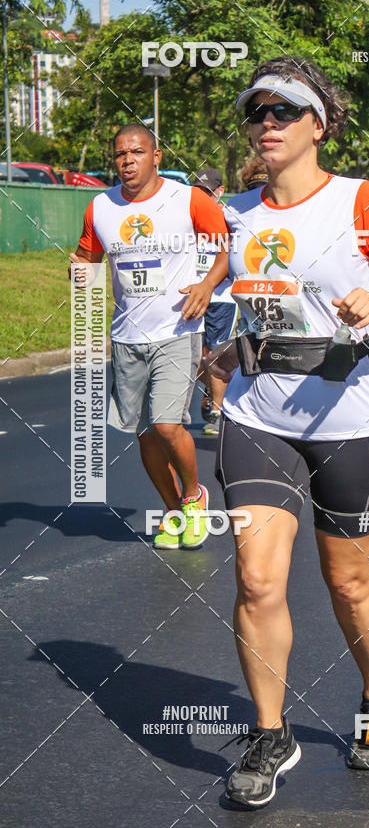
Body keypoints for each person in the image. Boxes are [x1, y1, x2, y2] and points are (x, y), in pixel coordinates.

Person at [207, 57, 369, 807]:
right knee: (256, 578)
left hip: (348, 417)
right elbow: (227, 283)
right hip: (258, 415)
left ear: (318, 124)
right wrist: (217, 350)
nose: (267, 124)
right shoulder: (236, 211)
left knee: (347, 579)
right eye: (257, 112)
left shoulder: (357, 202)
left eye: (284, 111)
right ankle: (270, 733)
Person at [69, 124, 229, 549]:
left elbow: (228, 249)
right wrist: (79, 270)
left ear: (156, 156)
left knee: (166, 423)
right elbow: (88, 257)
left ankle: (194, 497)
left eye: (136, 152)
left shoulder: (188, 199)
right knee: (144, 433)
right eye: (120, 154)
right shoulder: (100, 207)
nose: (127, 161)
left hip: (177, 328)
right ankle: (173, 512)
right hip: (126, 336)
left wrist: (207, 284)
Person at [191, 167, 238, 435]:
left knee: (212, 354)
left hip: (221, 297)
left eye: (208, 193)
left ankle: (217, 413)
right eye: (199, 191)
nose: (203, 197)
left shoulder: (229, 218)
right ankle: (213, 390)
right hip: (193, 294)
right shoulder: (187, 217)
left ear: (219, 193)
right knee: (195, 356)